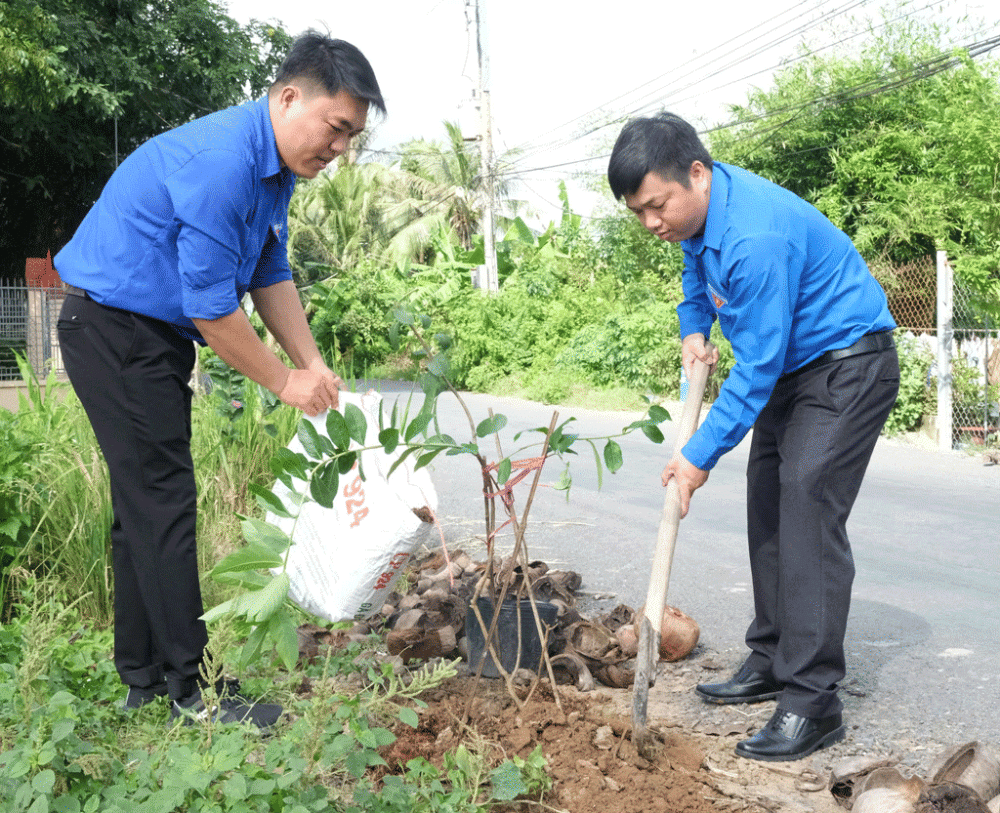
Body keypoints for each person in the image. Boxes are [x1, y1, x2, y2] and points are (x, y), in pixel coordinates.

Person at [55, 32, 385, 728]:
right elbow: (210, 308)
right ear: (290, 97)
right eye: (336, 129)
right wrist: (284, 383)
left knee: (143, 508)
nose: (340, 149)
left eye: (351, 137)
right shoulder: (223, 164)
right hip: (117, 330)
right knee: (166, 502)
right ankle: (194, 689)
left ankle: (145, 678)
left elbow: (268, 272)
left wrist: (311, 362)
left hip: (143, 335)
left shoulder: (273, 171)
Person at [608, 113, 899, 761]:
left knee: (806, 501)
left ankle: (813, 700)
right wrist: (693, 326)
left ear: (697, 173)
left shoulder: (753, 236)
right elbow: (694, 273)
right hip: (797, 367)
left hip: (848, 363)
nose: (653, 222)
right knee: (767, 499)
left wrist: (696, 457)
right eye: (639, 213)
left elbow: (758, 367)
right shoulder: (698, 218)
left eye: (657, 205)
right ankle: (770, 656)